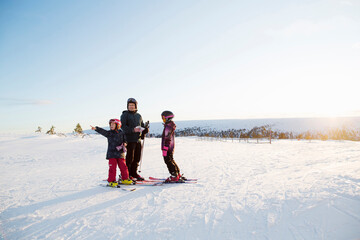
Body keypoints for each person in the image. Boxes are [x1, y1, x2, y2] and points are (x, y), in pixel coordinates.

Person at [91, 119, 133, 187]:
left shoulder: (122, 133)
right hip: (112, 154)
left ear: (118, 125)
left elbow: (125, 140)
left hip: (120, 153)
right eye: (110, 124)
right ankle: (111, 180)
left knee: (124, 167)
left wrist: (125, 143)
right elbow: (103, 131)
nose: (111, 126)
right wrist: (96, 128)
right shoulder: (109, 133)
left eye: (113, 124)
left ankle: (125, 179)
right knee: (112, 168)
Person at [120, 98, 149, 180]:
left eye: (133, 105)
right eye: (130, 105)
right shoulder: (125, 115)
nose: (131, 107)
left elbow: (142, 125)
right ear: (127, 106)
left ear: (136, 106)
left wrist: (145, 129)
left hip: (138, 139)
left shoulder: (139, 116)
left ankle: (134, 173)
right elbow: (123, 127)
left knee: (137, 157)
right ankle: (127, 174)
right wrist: (133, 129)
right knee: (130, 157)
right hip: (129, 139)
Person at [161, 110, 184, 183]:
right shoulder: (170, 125)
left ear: (167, 118)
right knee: (171, 159)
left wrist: (165, 148)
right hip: (170, 147)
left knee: (168, 160)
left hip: (167, 147)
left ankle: (174, 175)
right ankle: (177, 173)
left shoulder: (168, 127)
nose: (163, 120)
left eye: (163, 118)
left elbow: (167, 138)